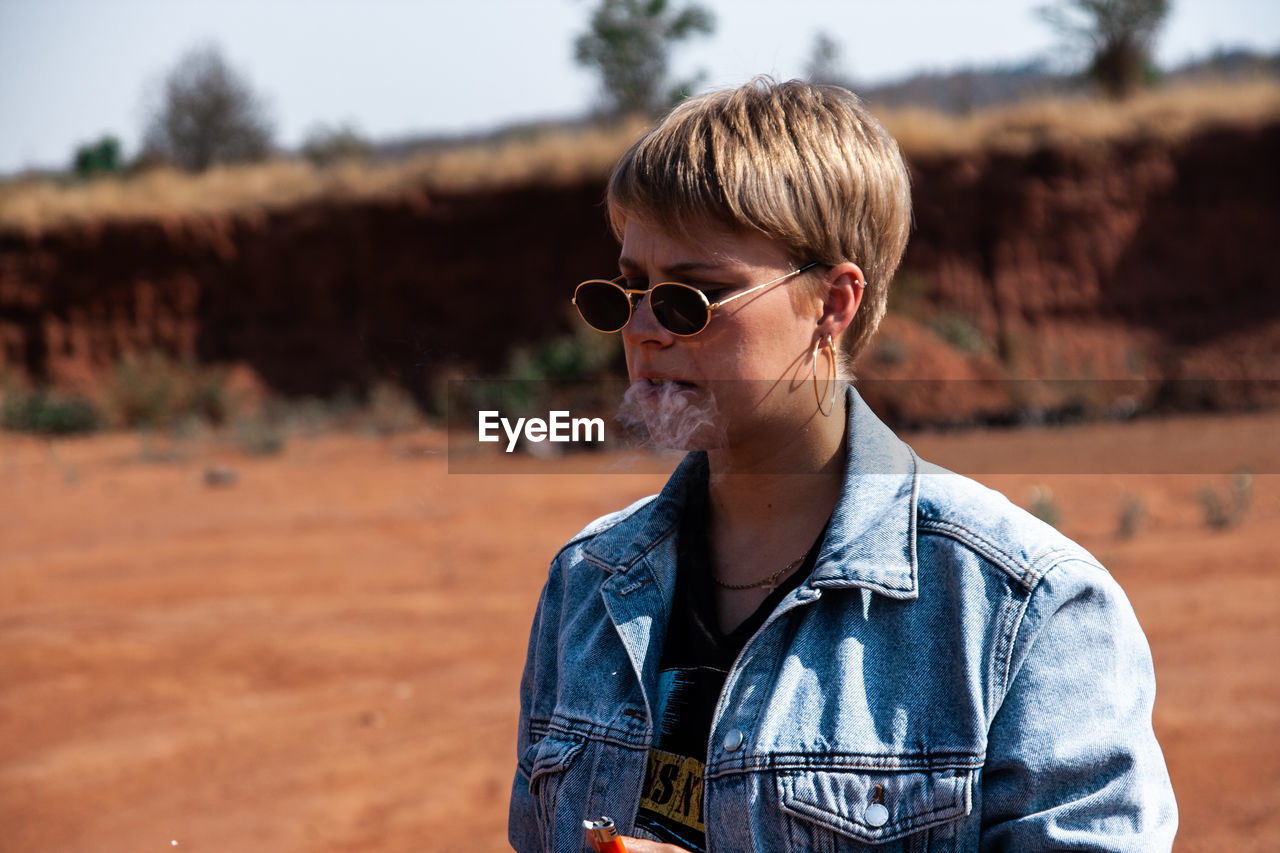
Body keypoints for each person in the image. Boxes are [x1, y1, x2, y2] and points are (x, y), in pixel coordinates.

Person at [508, 78, 1177, 852]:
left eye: (694, 295)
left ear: (833, 303)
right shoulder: (586, 584)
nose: (647, 328)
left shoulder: (1023, 606)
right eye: (627, 291)